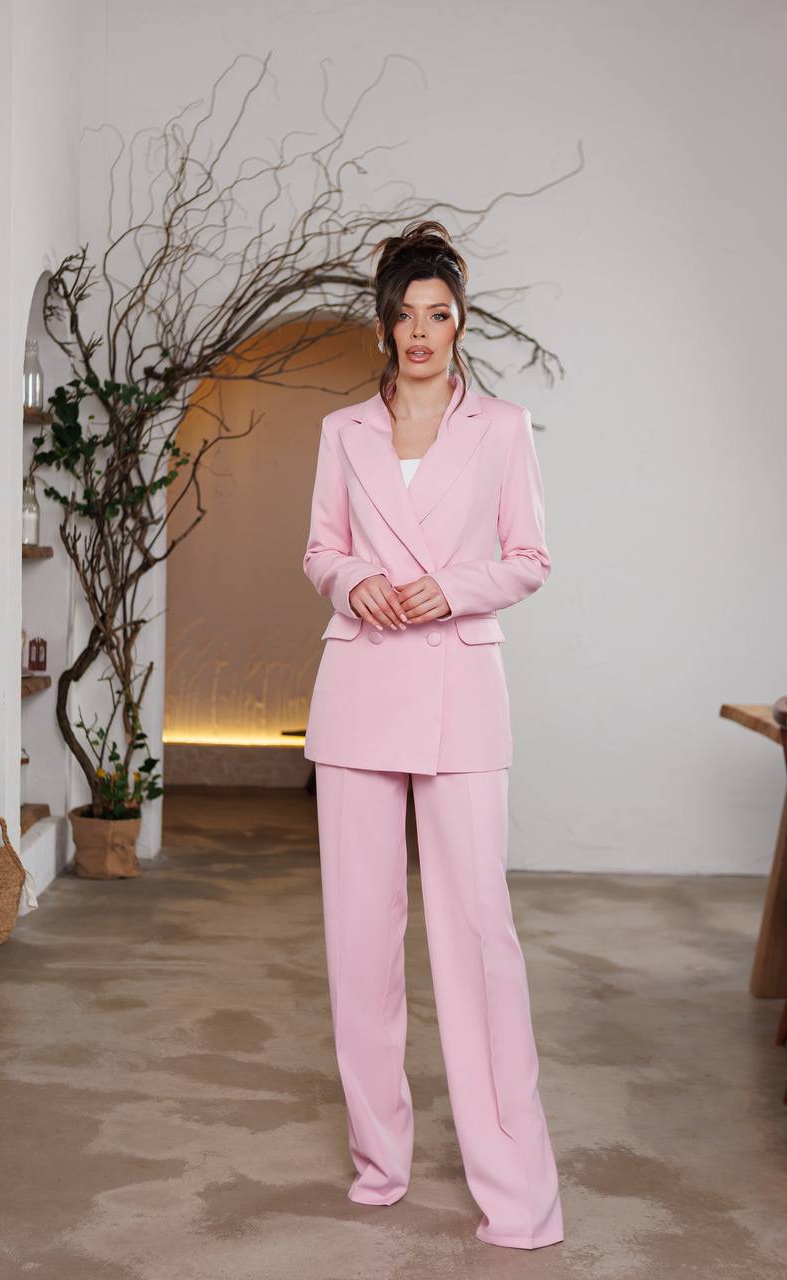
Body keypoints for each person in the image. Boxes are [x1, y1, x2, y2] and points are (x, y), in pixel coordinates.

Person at [301, 219, 563, 1251]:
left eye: (439, 314)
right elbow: (320, 547)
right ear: (384, 323)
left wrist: (442, 588)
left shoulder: (502, 426)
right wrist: (354, 579)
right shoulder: (341, 431)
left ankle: (516, 1188)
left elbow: (530, 556)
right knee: (357, 941)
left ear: (461, 324)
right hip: (359, 681)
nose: (421, 332)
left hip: (458, 684)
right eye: (405, 314)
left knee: (477, 939)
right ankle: (380, 1156)